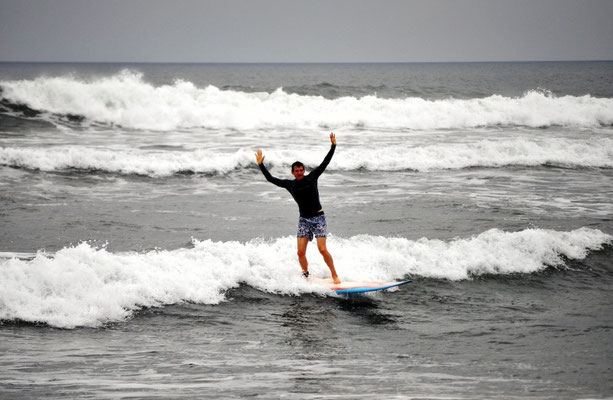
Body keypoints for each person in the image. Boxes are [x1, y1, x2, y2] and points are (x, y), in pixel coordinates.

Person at [255, 132, 341, 284]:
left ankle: (335, 275)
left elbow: (325, 163)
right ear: (293, 173)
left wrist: (333, 146)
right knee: (300, 252)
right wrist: (261, 165)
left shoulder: (312, 177)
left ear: (304, 170)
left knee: (322, 249)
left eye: (301, 170)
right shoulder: (290, 184)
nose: (299, 172)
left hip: (318, 218)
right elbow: (270, 179)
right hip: (304, 220)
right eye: (296, 171)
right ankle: (306, 274)